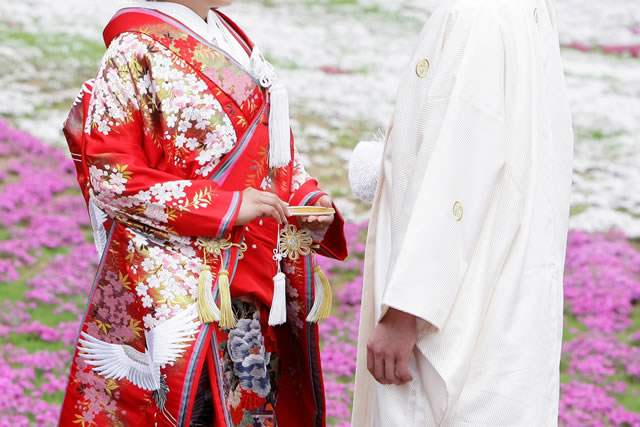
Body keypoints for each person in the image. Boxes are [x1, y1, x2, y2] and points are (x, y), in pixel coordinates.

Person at [59, 1, 347, 426]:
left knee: (251, 405)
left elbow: (270, 150)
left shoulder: (231, 40)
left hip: (247, 278)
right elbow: (113, 178)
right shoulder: (132, 48)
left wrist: (306, 196)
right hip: (175, 287)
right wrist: (225, 205)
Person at [350, 0, 573, 425]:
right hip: (506, 304)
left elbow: (456, 175)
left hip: (453, 321)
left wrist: (404, 312)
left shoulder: (477, 16)